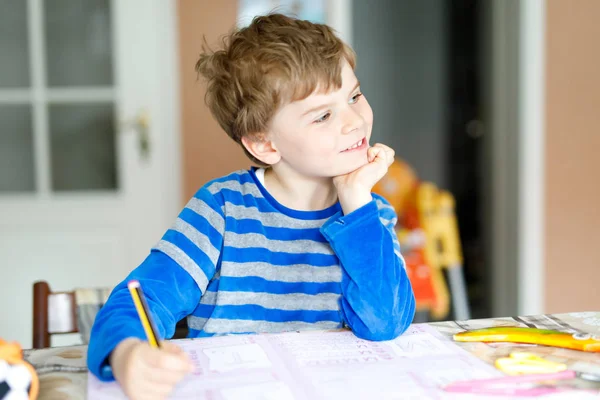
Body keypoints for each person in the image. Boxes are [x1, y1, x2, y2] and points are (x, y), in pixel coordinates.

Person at [87, 13, 415, 400]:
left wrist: (358, 204)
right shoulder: (221, 210)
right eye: (323, 115)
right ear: (265, 145)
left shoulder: (368, 215)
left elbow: (386, 325)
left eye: (355, 96)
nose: (354, 121)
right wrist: (128, 355)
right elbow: (142, 299)